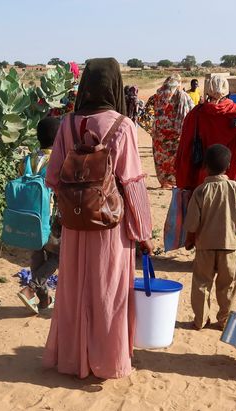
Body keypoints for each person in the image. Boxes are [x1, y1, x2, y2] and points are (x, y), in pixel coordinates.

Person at [43, 58, 154, 379]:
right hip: (111, 224)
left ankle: (73, 359)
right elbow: (132, 184)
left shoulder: (66, 123)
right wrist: (142, 231)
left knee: (75, 289)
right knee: (108, 292)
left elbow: (53, 179)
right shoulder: (123, 125)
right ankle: (106, 361)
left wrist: (73, 204)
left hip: (76, 223)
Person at [184, 145, 236, 330]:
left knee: (201, 283)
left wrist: (190, 239)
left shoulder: (200, 191)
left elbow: (192, 223)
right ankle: (224, 321)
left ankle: (200, 320)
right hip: (229, 246)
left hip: (205, 246)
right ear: (229, 165)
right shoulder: (235, 188)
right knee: (228, 286)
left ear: (205, 166)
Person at [16, 116, 62, 314]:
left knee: (37, 255)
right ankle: (31, 288)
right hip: (51, 217)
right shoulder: (59, 160)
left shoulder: (28, 159)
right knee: (58, 255)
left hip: (28, 216)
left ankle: (44, 300)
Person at [176, 74, 236, 193]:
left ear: (207, 91)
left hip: (204, 175)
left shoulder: (196, 113)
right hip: (233, 175)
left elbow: (185, 148)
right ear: (228, 90)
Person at [140, 74, 194, 189]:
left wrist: (152, 129)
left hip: (159, 137)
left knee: (161, 160)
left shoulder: (156, 96)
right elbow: (192, 112)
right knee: (174, 160)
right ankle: (174, 183)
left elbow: (143, 116)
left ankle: (164, 182)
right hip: (176, 136)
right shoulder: (182, 96)